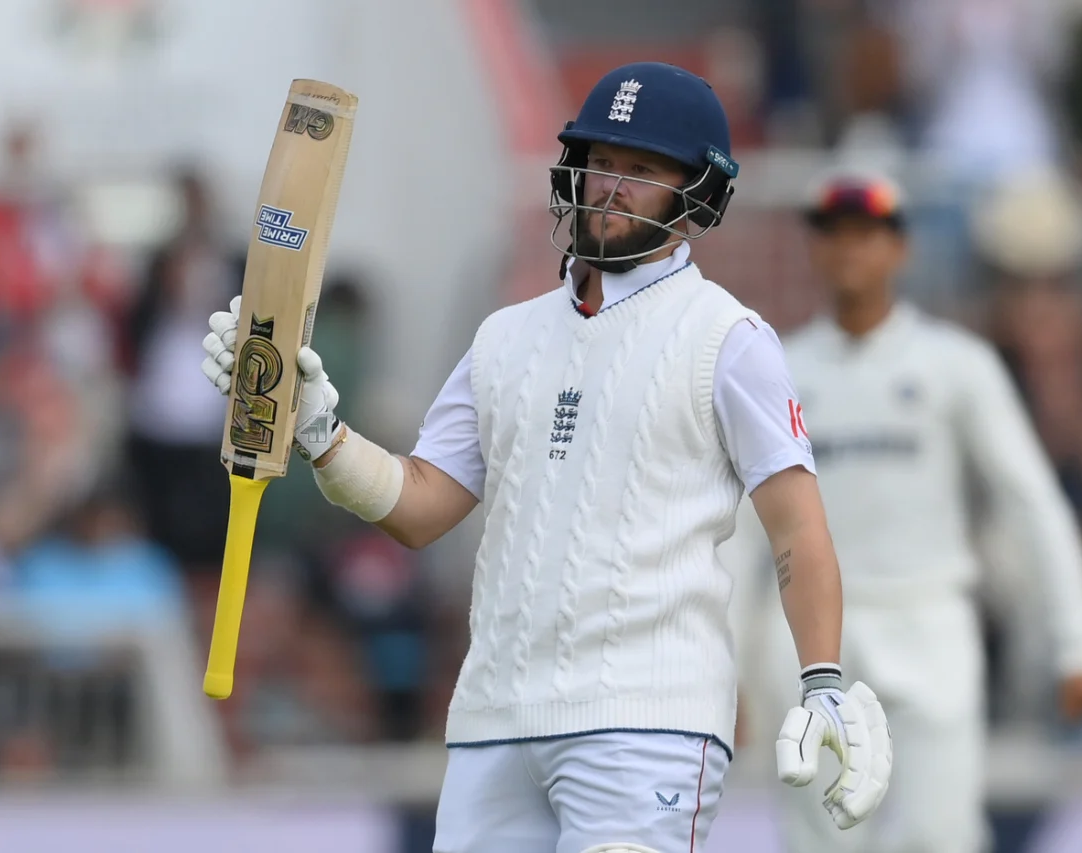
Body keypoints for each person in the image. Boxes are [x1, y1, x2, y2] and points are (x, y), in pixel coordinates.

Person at [201, 62, 891, 853]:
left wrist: (823, 679)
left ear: (698, 193)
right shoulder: (505, 337)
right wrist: (320, 432)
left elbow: (798, 527)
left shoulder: (728, 339)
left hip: (648, 721)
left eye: (642, 171)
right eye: (600, 162)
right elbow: (424, 504)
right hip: (496, 720)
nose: (611, 186)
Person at [721, 169, 1082, 853]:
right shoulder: (775, 369)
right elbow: (743, 535)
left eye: (867, 236)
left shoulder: (955, 365)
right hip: (815, 636)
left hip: (931, 618)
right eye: (833, 236)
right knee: (825, 839)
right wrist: (724, 671)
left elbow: (1032, 503)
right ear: (813, 249)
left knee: (944, 833)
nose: (849, 253)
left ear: (900, 249)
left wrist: (1078, 641)